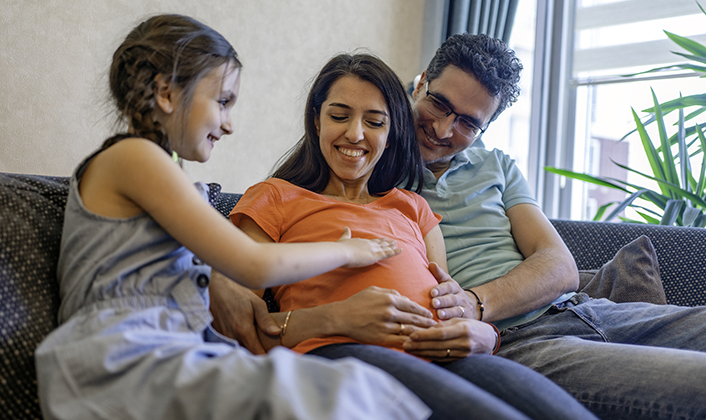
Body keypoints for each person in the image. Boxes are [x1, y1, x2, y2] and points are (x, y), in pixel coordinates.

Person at [211, 33, 706, 420]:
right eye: (439, 105)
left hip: (535, 324)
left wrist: (478, 318)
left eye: (468, 122)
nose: (445, 130)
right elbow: (238, 305)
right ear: (420, 84)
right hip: (482, 344)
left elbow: (544, 268)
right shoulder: (291, 192)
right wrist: (331, 315)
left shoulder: (422, 198)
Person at [33, 14, 438, 420]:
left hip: (176, 346)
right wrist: (347, 251)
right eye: (223, 101)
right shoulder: (134, 158)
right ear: (166, 94)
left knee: (345, 386)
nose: (229, 124)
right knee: (334, 390)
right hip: (123, 356)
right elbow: (254, 264)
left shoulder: (161, 170)